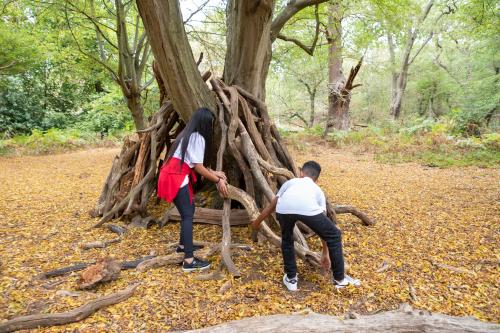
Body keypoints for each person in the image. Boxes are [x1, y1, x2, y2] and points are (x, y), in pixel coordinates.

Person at [251, 161, 360, 290]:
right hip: (308, 210)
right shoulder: (318, 190)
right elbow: (323, 229)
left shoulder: (290, 183)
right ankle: (339, 279)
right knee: (334, 234)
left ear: (301, 173)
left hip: (283, 210)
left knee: (287, 239)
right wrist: (325, 254)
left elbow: (272, 206)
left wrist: (257, 222)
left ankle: (291, 279)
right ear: (316, 180)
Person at [158, 107, 228, 272]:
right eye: (210, 123)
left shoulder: (187, 134)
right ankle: (188, 261)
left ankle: (183, 246)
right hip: (175, 176)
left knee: (188, 211)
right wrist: (218, 180)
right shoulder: (198, 138)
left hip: (169, 174)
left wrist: (214, 172)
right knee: (188, 215)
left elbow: (195, 163)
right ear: (205, 123)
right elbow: (198, 167)